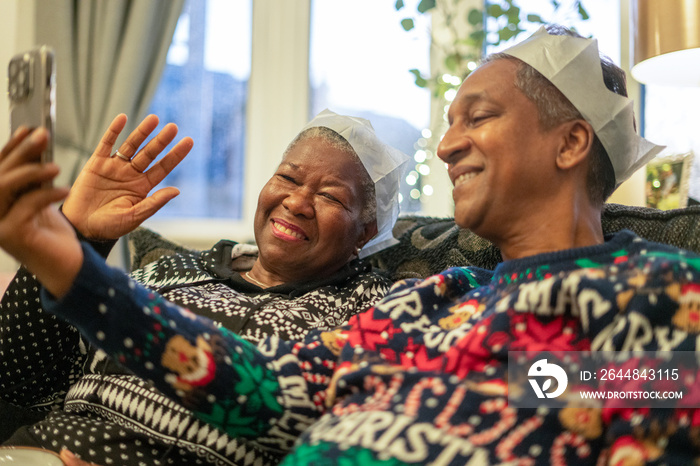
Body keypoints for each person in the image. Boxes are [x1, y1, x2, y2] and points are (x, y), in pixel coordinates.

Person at [4, 25, 700, 464]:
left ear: (572, 142)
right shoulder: (427, 301)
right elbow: (260, 388)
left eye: (478, 117)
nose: (449, 144)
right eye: (449, 122)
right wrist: (67, 258)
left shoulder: (659, 287)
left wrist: (526, 378)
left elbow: (637, 397)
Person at [0, 109, 408, 465]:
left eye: (331, 198)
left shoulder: (367, 311)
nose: (297, 202)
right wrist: (79, 237)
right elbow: (21, 384)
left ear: (365, 232)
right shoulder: (174, 269)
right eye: (287, 176)